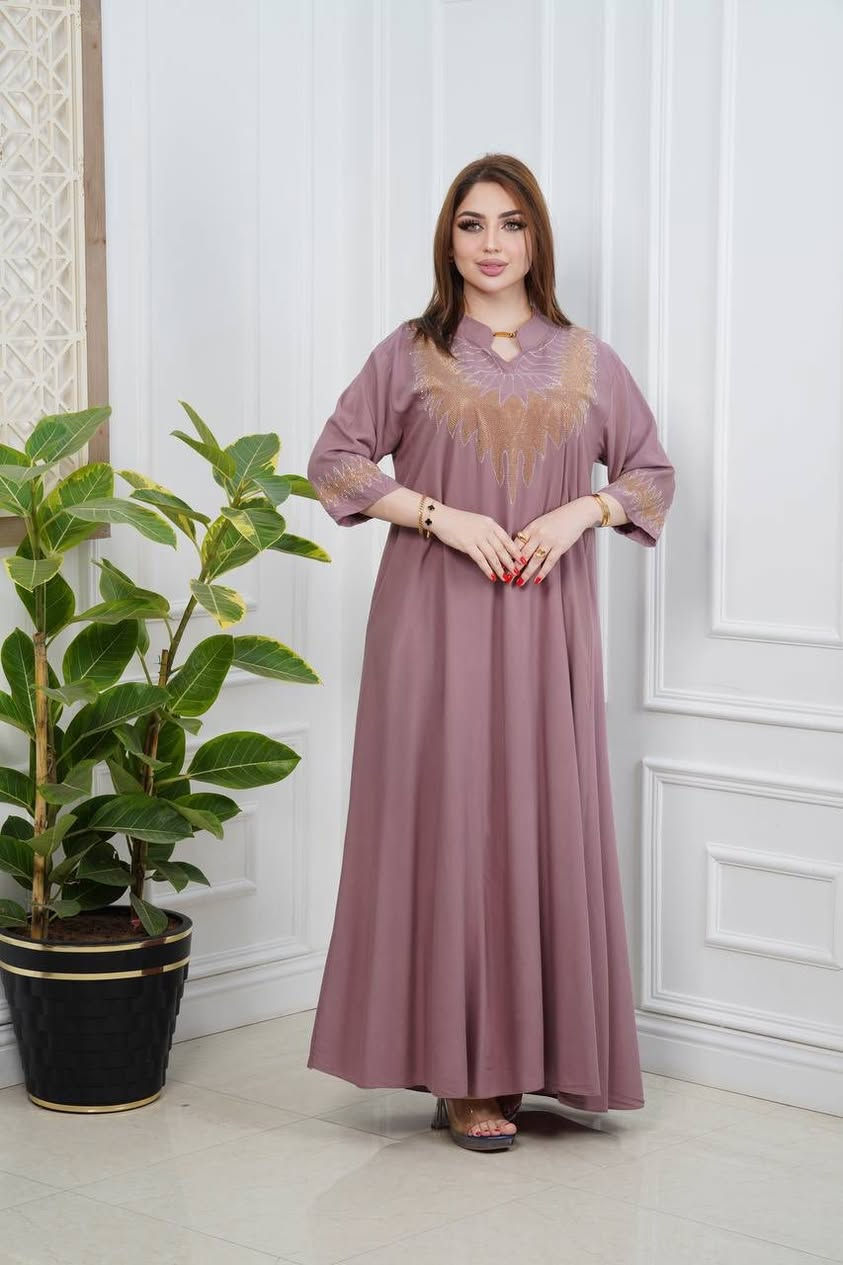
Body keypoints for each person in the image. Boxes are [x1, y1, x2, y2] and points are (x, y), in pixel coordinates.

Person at [305, 153, 676, 1152]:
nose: (492, 243)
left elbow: (649, 473)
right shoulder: (410, 352)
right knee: (448, 827)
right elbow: (334, 462)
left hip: (547, 634)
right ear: (449, 240)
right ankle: (462, 1074)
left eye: (511, 223)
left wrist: (581, 511)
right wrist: (439, 516)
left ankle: (531, 1061)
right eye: (472, 224)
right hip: (431, 628)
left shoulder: (588, 360)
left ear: (536, 238)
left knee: (535, 825)